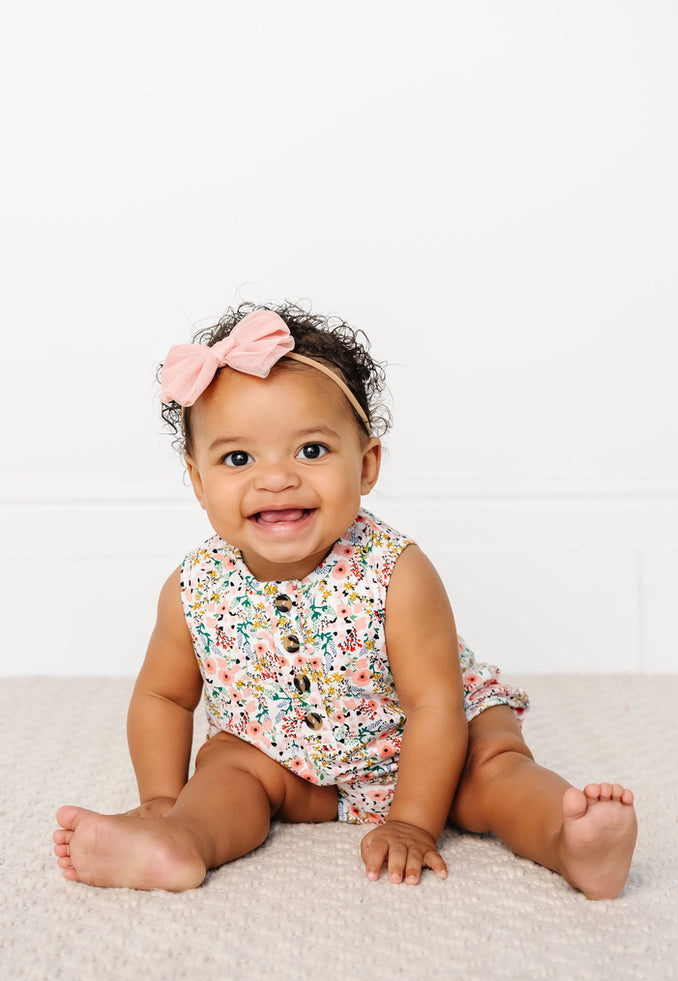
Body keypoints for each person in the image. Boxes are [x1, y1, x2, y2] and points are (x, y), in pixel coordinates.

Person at [53, 304, 637, 898]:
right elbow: (164, 696)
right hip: (286, 761)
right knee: (228, 769)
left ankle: (571, 839)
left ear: (366, 465)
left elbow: (434, 706)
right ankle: (178, 840)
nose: (275, 479)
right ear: (199, 480)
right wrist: (160, 797)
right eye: (238, 458)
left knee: (494, 773)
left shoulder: (396, 572)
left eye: (311, 450)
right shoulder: (194, 587)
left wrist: (412, 822)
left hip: (427, 749)